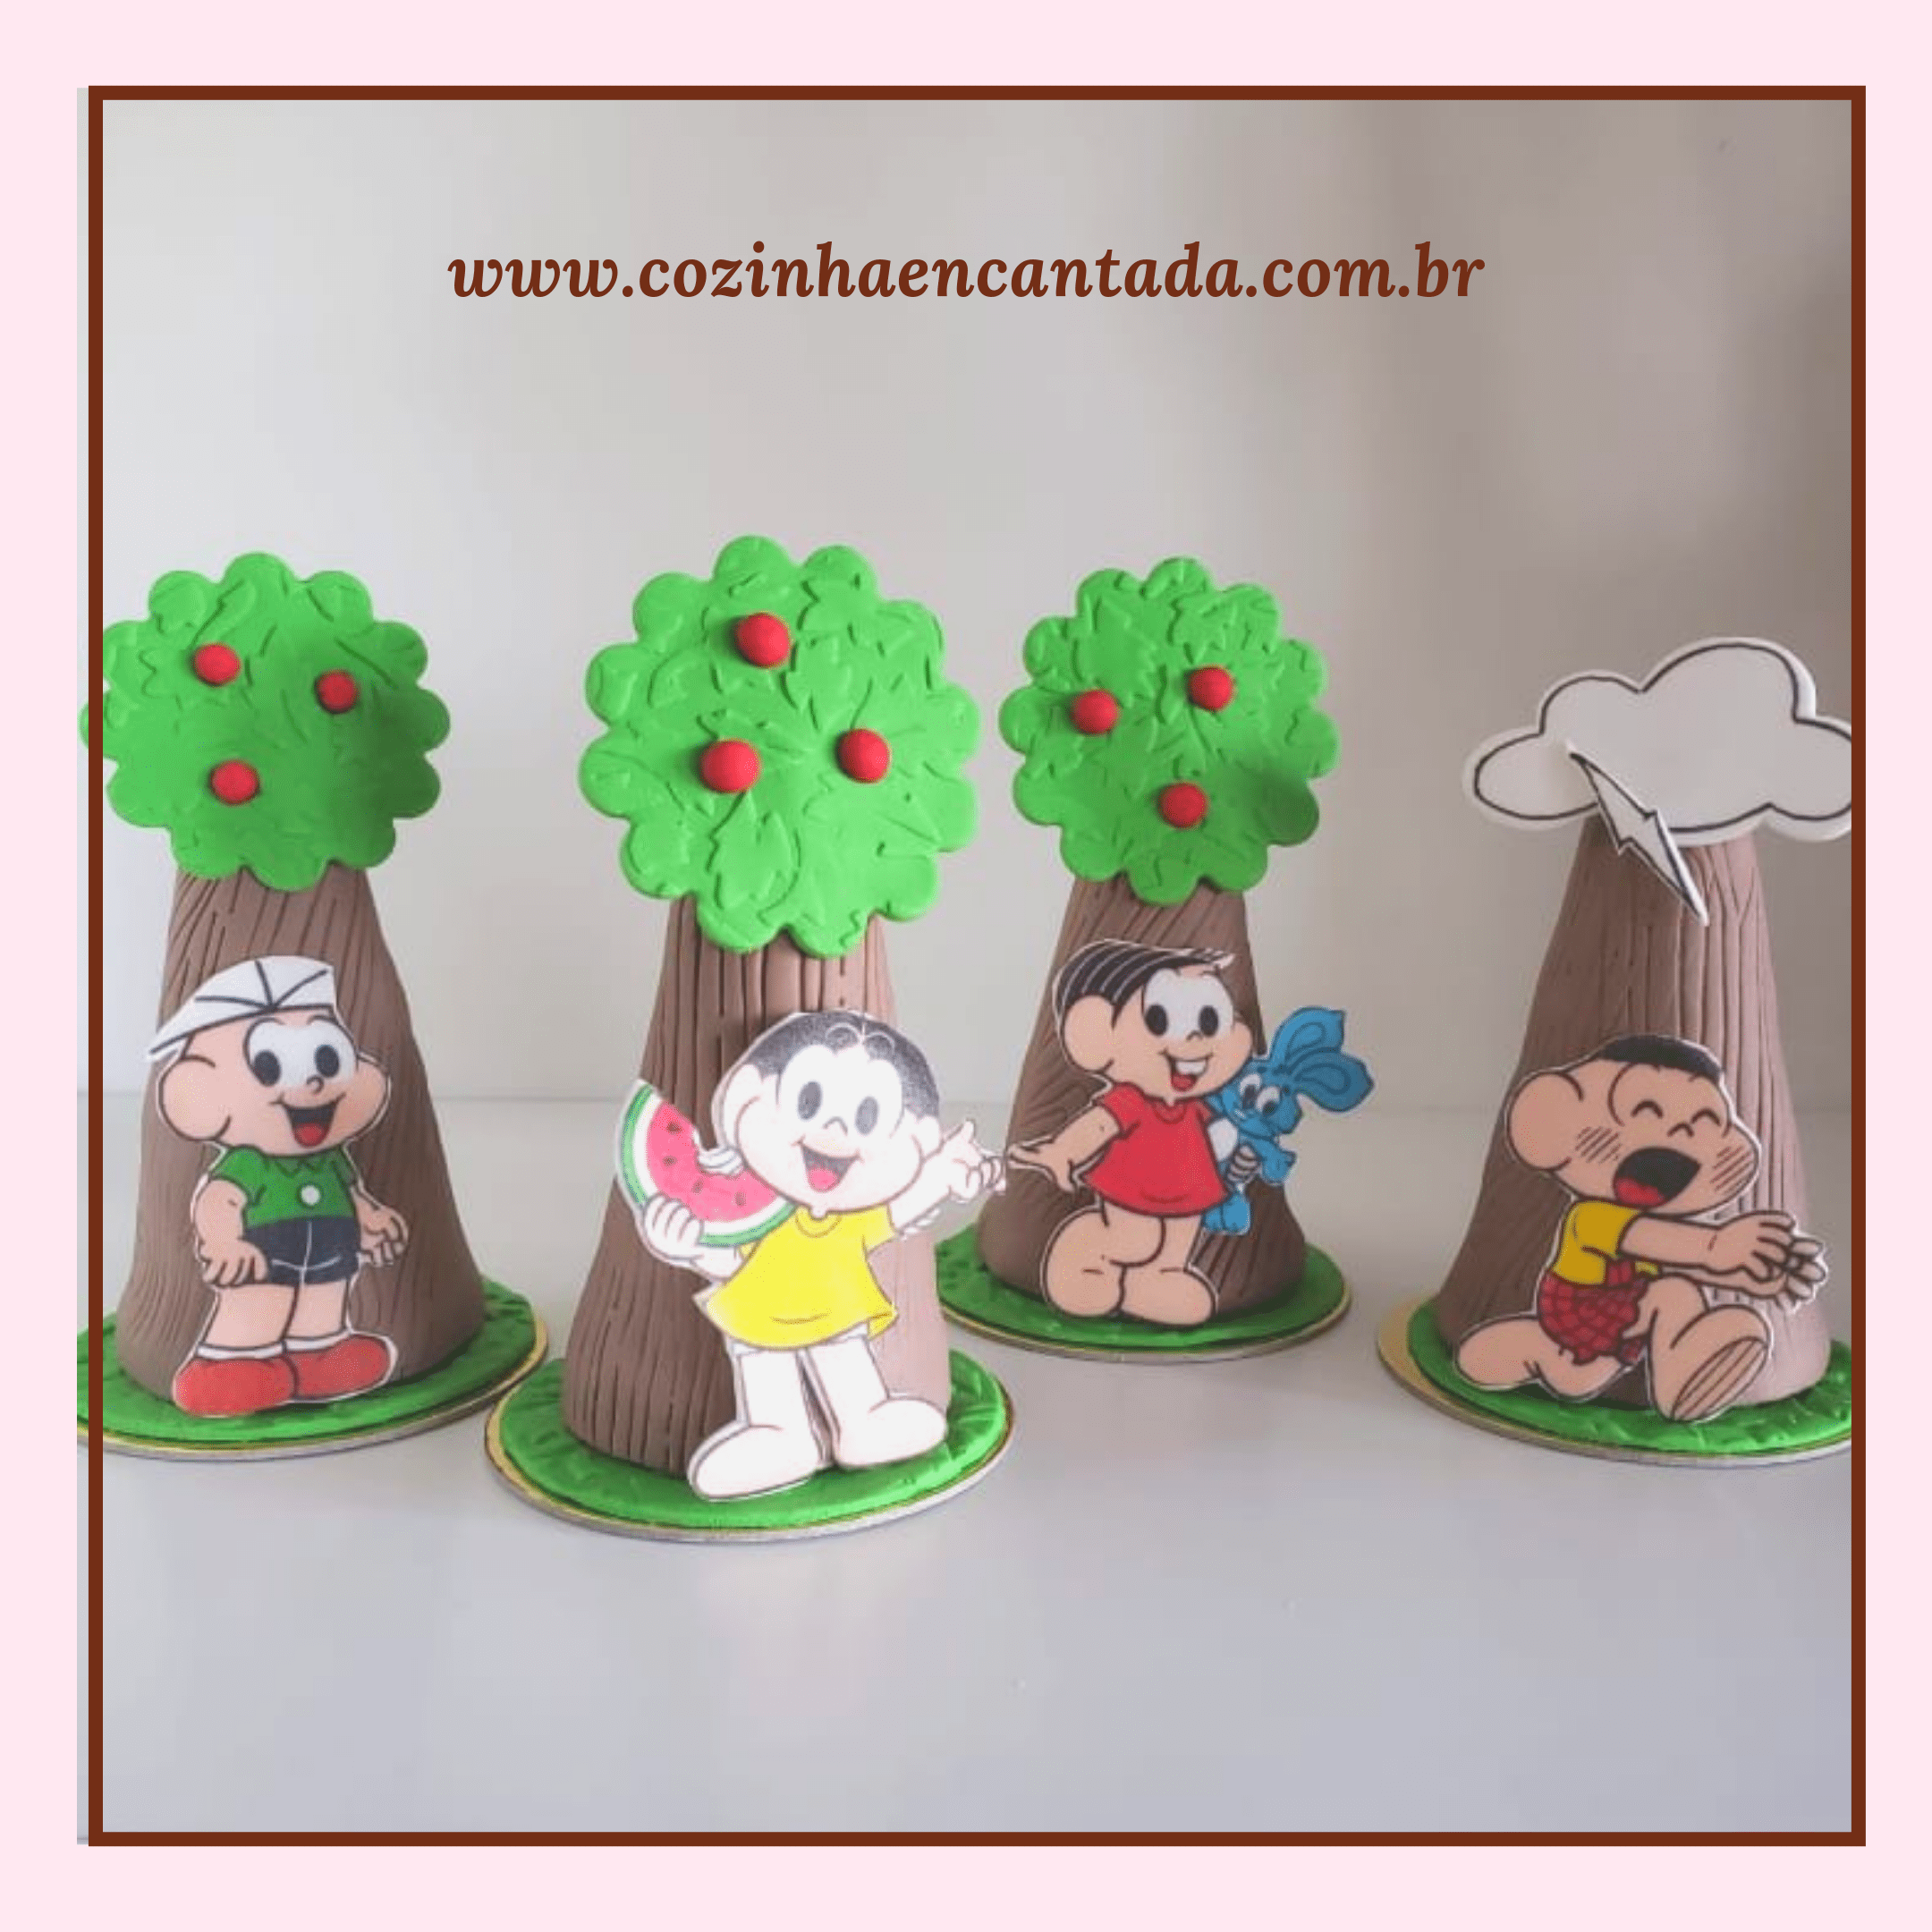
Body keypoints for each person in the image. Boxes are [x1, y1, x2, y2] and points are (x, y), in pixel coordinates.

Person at [636, 1011, 1002, 1501]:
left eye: (867, 1116)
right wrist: (685, 1244)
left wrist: (943, 1175)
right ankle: (781, 1438)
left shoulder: (854, 1215)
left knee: (849, 1376)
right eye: (807, 1100)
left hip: (837, 1310)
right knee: (770, 1388)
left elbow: (897, 1212)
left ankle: (865, 1422)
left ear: (917, 1139)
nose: (834, 1128)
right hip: (761, 1316)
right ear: (746, 1093)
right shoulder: (759, 1211)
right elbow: (729, 1258)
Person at [1455, 1034, 1826, 1422]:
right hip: (1584, 1312)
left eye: (1705, 1121)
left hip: (1621, 1325)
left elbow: (1681, 1261)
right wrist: (1718, 1246)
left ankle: (1543, 1355)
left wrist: (1751, 1278)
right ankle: (1677, 1376)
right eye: (1647, 1111)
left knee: (1578, 1373)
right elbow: (1667, 1245)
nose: (1681, 1133)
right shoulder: (1593, 1218)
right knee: (1673, 1295)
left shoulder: (1659, 1231)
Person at [149, 955, 406, 1417]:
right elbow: (220, 1199)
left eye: (327, 1058)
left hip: (332, 1250)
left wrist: (371, 1219)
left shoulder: (332, 1159)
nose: (314, 1082)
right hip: (263, 1253)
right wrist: (224, 1242)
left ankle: (321, 1353)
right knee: (260, 1304)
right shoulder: (249, 1164)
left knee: (322, 1303)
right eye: (270, 1065)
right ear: (199, 1087)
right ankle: (233, 1361)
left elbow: (353, 1195)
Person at [1006, 939, 1254, 1326]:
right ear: (1097, 1031)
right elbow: (1099, 1125)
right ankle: (1089, 1253)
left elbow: (1213, 1135)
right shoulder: (1132, 1101)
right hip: (1133, 1187)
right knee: (1134, 1238)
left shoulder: (1194, 1104)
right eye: (1160, 1019)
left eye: (1210, 1019)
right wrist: (1061, 1152)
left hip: (1190, 1190)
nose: (1195, 1039)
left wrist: (1238, 1152)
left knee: (1174, 1249)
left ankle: (1156, 1281)